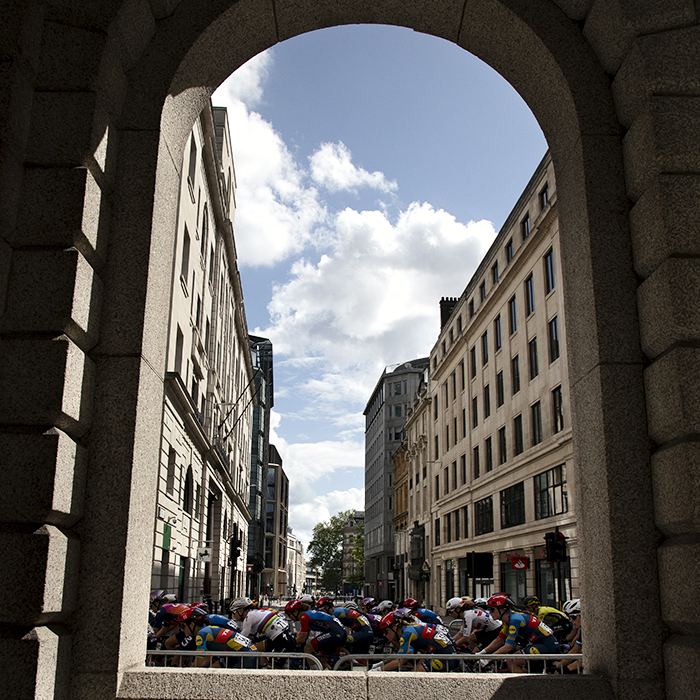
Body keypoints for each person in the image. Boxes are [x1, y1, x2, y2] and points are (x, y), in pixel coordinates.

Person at [479, 594, 559, 673]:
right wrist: (481, 653)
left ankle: (521, 686)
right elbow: (499, 640)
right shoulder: (508, 620)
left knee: (512, 661)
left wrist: (488, 659)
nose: (489, 612)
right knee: (524, 671)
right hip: (540, 644)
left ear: (502, 609)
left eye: (492, 609)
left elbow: (508, 647)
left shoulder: (515, 620)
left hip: (547, 645)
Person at [376, 611, 459, 672]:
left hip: (445, 657)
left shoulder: (406, 634)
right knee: (414, 669)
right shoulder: (409, 630)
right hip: (442, 653)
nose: (384, 635)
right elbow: (408, 654)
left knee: (413, 676)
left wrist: (377, 670)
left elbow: (400, 660)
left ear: (394, 628)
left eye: (385, 631)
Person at [178, 605, 257, 669]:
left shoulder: (201, 634)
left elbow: (199, 661)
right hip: (250, 652)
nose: (182, 630)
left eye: (183, 626)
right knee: (215, 667)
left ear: (192, 624)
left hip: (245, 656)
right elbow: (206, 660)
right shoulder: (206, 631)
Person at [284, 599, 348, 670]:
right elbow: (304, 634)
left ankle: (315, 674)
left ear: (295, 612)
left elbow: (301, 639)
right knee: (320, 660)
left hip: (334, 633)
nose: (289, 618)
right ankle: (328, 674)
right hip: (339, 632)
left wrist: (289, 641)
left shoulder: (304, 617)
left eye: (289, 615)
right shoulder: (308, 614)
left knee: (307, 649)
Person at [229, 597, 296, 653]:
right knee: (258, 650)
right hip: (281, 635)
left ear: (240, 611)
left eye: (233, 612)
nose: (233, 616)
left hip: (280, 638)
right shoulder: (254, 613)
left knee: (273, 665)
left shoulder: (248, 618)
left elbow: (242, 638)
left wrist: (228, 643)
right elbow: (251, 636)